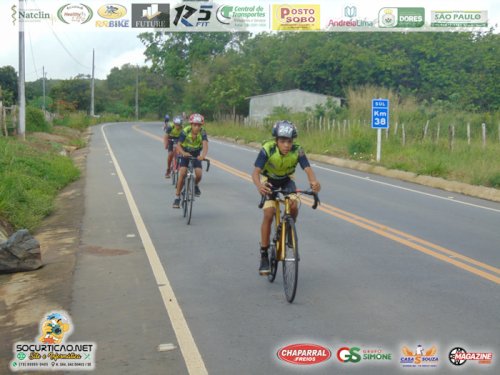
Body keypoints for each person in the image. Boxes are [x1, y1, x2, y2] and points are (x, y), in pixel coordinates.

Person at [252, 120, 321, 275]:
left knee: (294, 206)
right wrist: (259, 186)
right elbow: (256, 172)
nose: (286, 145)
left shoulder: (298, 150)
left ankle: (288, 228)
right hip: (268, 180)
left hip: (286, 180)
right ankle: (264, 255)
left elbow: (308, 169)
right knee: (269, 214)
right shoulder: (267, 149)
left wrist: (314, 182)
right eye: (282, 141)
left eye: (289, 141)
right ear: (276, 141)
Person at [172, 113, 208, 208]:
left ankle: (195, 185)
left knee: (199, 174)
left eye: (199, 125)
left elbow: (205, 145)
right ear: (191, 125)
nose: (197, 127)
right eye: (194, 125)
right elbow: (178, 145)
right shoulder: (185, 131)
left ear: (201, 126)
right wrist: (183, 153)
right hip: (185, 152)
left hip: (196, 154)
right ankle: (177, 197)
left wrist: (203, 155)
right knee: (182, 173)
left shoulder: (203, 132)